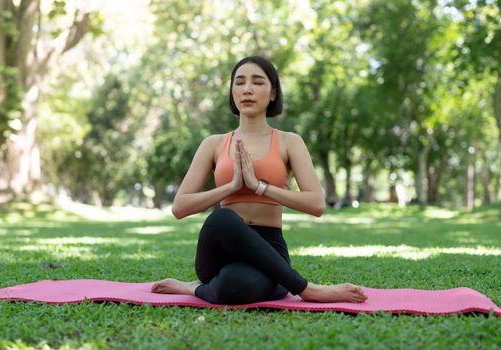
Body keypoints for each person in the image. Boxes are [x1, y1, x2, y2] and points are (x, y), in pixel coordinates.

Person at [151, 56, 368, 305]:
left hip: (270, 249)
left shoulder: (289, 141)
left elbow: (316, 203)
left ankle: (194, 289)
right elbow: (180, 207)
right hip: (221, 249)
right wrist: (231, 188)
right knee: (222, 217)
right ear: (232, 92)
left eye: (257, 82)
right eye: (239, 82)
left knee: (231, 288)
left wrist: (259, 187)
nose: (247, 89)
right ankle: (308, 290)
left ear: (273, 93)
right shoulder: (213, 144)